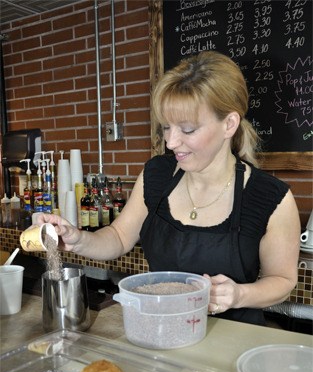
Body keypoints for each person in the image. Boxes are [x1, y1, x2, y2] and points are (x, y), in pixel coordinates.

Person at [36, 51, 300, 325]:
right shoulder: (157, 174)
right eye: (166, 128)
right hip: (160, 328)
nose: (171, 142)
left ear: (229, 124)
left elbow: (282, 280)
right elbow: (118, 237)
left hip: (233, 342)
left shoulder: (270, 196)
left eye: (187, 130)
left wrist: (238, 295)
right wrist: (78, 239)